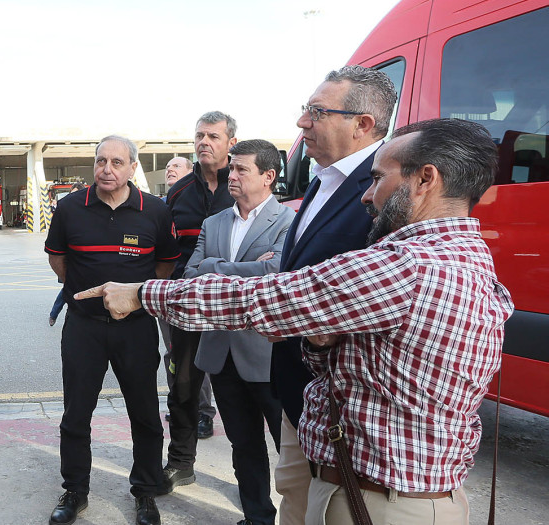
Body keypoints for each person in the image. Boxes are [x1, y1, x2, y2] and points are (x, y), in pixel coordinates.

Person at [76, 117, 511, 525]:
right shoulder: (464, 253)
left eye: (378, 178)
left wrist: (141, 293)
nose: (365, 195)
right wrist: (323, 342)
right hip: (399, 489)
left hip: (381, 501)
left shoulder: (407, 267)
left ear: (425, 179)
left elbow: (264, 296)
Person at [272, 65, 397, 525]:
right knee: (295, 501)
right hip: (299, 393)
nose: (302, 122)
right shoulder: (323, 179)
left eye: (317, 112)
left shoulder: (387, 188)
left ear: (362, 124)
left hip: (347, 409)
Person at [45, 135, 180, 525]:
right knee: (76, 414)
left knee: (145, 414)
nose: (107, 169)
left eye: (117, 162)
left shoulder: (155, 211)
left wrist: (132, 298)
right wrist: (86, 292)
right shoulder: (70, 208)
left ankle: (146, 492)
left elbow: (165, 266)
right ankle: (75, 490)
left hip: (135, 329)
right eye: (101, 161)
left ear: (133, 167)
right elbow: (58, 260)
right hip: (83, 328)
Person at [183, 139, 293, 525]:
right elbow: (190, 276)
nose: (232, 175)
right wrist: (240, 268)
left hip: (268, 354)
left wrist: (215, 268)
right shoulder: (213, 223)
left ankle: (299, 517)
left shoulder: (288, 221)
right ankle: (257, 517)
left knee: (290, 449)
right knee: (243, 445)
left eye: (241, 169)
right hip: (220, 353)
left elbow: (276, 273)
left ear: (268, 176)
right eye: (231, 168)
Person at [162, 111, 237, 487]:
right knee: (183, 388)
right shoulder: (178, 193)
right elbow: (164, 248)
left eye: (213, 136)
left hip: (234, 307)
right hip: (186, 306)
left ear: (231, 143)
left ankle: (251, 485)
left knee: (238, 394)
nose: (204, 142)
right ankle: (180, 463)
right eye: (199, 136)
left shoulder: (242, 185)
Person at [49, 182, 88, 326]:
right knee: (68, 288)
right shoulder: (65, 210)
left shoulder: (88, 212)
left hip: (82, 259)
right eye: (72, 193)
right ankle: (54, 314)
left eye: (76, 193)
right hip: (68, 258)